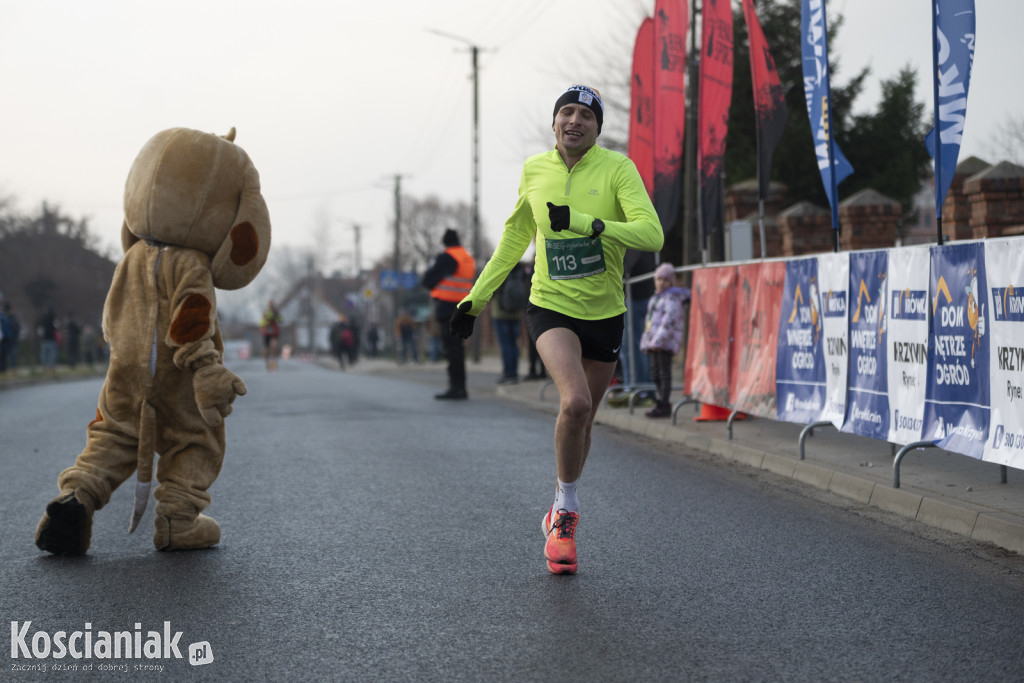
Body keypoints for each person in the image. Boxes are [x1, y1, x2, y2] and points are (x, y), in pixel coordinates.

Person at [449, 85, 663, 574]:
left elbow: (652, 235)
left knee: (583, 422)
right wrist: (474, 300)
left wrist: (591, 224)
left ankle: (557, 504)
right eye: (566, 111)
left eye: (585, 114)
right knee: (576, 402)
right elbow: (514, 239)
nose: (574, 120)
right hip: (550, 306)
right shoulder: (534, 171)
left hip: (606, 312)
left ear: (596, 127)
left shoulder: (618, 170)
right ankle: (567, 512)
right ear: (554, 123)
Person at [421, 228, 475, 400]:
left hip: (447, 307)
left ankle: (456, 387)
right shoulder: (467, 257)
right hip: (464, 306)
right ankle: (461, 387)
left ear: (444, 242)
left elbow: (427, 280)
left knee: (452, 350)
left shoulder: (446, 257)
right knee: (458, 348)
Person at [639, 263, 691, 418]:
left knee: (663, 374)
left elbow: (668, 322)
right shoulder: (655, 298)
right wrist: (646, 342)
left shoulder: (671, 299)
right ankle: (660, 400)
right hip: (653, 344)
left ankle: (664, 404)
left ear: (671, 282)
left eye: (665, 280)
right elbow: (649, 322)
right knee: (655, 374)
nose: (661, 283)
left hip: (663, 344)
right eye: (658, 279)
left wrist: (658, 341)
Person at [492, 261, 528, 384]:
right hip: (516, 312)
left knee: (505, 343)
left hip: (500, 312)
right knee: (514, 343)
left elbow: (492, 288)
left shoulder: (500, 266)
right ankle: (514, 372)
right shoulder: (520, 269)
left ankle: (508, 373)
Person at [259, 300, 282, 371]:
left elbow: (280, 320)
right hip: (267, 332)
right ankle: (267, 362)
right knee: (266, 348)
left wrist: (275, 317)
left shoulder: (276, 312)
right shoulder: (265, 313)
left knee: (274, 346)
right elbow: (261, 323)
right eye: (270, 305)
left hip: (274, 331)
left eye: (272, 304)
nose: (271, 306)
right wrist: (267, 319)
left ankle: (274, 362)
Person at [0, 302, 20, 372]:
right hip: (8, 339)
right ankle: (8, 369)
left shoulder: (7, 318)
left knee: (8, 355)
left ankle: (10, 368)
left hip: (9, 339)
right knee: (6, 355)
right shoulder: (6, 318)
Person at [37, 306, 58, 371]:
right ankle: (52, 367)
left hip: (45, 339)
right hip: (52, 338)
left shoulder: (43, 319)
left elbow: (40, 329)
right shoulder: (53, 319)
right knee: (52, 354)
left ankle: (44, 366)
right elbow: (56, 327)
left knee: (44, 354)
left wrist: (41, 336)